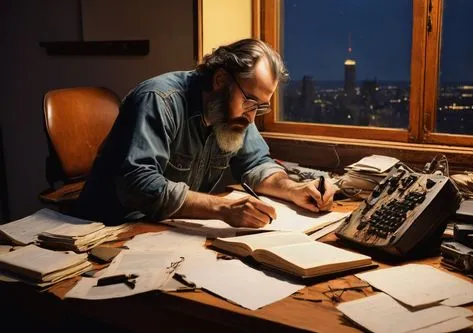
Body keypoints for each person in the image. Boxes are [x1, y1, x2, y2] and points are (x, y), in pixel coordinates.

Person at [75, 38, 337, 227]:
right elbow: (137, 184)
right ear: (221, 80)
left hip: (164, 229)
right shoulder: (159, 99)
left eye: (261, 106)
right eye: (249, 102)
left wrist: (294, 189)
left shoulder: (236, 113)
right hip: (109, 228)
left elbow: (256, 163)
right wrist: (222, 208)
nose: (252, 116)